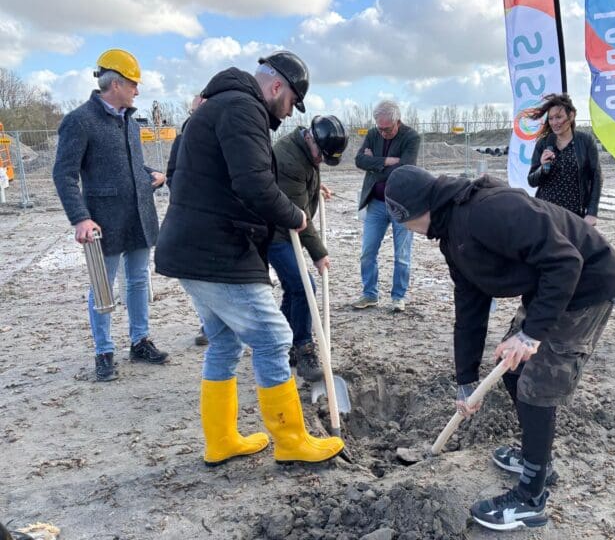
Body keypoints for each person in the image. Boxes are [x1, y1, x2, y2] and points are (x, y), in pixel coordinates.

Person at [384, 165, 615, 531]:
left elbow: (566, 261)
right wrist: (466, 379)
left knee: (536, 387)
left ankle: (531, 497)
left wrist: (531, 334)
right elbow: (469, 305)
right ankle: (536, 458)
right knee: (512, 370)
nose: (407, 230)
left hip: (586, 286)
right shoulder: (452, 232)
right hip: (550, 287)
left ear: (420, 209)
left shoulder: (489, 210)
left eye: (405, 222)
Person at [154, 50, 344, 466]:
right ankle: (292, 440)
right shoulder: (243, 109)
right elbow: (255, 183)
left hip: (193, 247)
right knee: (274, 337)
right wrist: (295, 216)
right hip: (216, 251)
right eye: (293, 101)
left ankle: (221, 440)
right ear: (278, 87)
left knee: (224, 342)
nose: (291, 112)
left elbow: (181, 172)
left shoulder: (215, 106)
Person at [53, 49, 169, 383]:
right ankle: (104, 351)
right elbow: (64, 174)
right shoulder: (79, 121)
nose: (138, 91)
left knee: (137, 281)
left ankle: (139, 341)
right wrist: (80, 218)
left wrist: (153, 175)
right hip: (103, 221)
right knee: (102, 289)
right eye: (134, 84)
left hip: (138, 217)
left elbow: (129, 168)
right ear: (116, 83)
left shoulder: (130, 122)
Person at [269, 115, 348, 382]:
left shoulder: (305, 149)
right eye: (322, 157)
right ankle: (302, 348)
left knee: (294, 288)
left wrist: (316, 188)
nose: (321, 162)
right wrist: (319, 253)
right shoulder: (289, 158)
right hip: (274, 233)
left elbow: (305, 178)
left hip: (286, 228)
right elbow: (298, 213)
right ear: (311, 139)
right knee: (304, 286)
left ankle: (279, 341)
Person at [352, 100, 421, 312]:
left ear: (397, 122)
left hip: (402, 205)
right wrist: (388, 161)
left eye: (387, 129)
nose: (382, 133)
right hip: (376, 204)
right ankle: (369, 294)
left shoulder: (412, 137)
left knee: (401, 255)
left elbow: (405, 169)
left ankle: (398, 297)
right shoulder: (373, 133)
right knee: (367, 251)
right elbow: (358, 160)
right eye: (379, 128)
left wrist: (375, 163)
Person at [165, 93, 209, 347]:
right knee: (200, 277)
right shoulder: (181, 140)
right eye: (195, 111)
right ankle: (207, 324)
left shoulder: (222, 137)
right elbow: (172, 176)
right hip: (192, 220)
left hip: (219, 221)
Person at [527, 93, 602, 225]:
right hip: (546, 213)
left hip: (574, 215)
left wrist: (592, 212)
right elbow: (532, 181)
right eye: (551, 118)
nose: (554, 122)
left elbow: (596, 176)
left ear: (571, 116)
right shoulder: (544, 143)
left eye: (559, 117)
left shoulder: (585, 141)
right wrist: (543, 168)